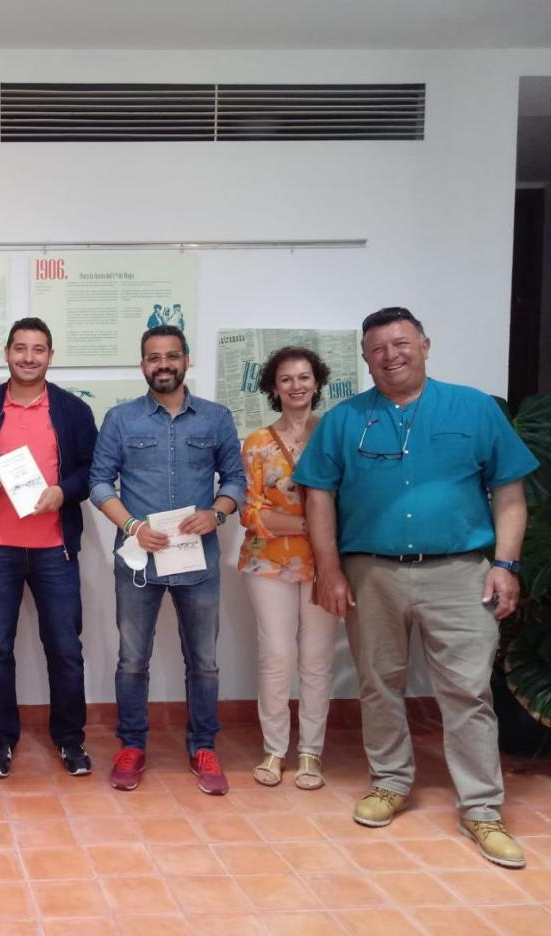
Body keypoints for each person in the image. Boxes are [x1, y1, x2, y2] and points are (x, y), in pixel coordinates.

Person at [295, 307, 537, 869]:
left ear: (425, 345)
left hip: (459, 572)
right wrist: (329, 570)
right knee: (379, 683)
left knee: (468, 692)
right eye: (378, 348)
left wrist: (505, 564)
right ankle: (389, 782)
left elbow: (509, 493)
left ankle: (481, 809)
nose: (391, 355)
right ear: (366, 358)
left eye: (401, 343)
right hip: (371, 572)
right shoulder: (345, 419)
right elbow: (319, 497)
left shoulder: (474, 408)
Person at [90, 325, 244, 795]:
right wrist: (132, 526)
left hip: (198, 562)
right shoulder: (120, 419)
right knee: (132, 660)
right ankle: (132, 745)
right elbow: (99, 482)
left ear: (186, 360)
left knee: (204, 661)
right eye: (154, 357)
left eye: (171, 356)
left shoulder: (216, 418)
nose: (163, 365)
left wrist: (217, 514)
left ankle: (203, 746)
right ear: (143, 365)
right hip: (140, 561)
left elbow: (235, 479)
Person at [0, 317, 98, 779]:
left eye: (38, 349)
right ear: (6, 353)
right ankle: (0, 740)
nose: (29, 357)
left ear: (50, 356)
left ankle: (70, 738)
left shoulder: (73, 410)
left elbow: (92, 471)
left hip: (56, 549)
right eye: (20, 348)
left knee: (65, 649)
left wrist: (63, 491)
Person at [237, 346, 339, 790]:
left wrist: (316, 532)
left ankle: (311, 752)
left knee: (317, 658)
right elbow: (250, 511)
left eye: (303, 377)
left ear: (316, 383)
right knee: (277, 655)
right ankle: (275, 749)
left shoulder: (335, 434)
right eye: (286, 379)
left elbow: (351, 497)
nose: (296, 386)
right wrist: (310, 524)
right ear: (273, 389)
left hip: (325, 563)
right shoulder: (257, 442)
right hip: (268, 562)